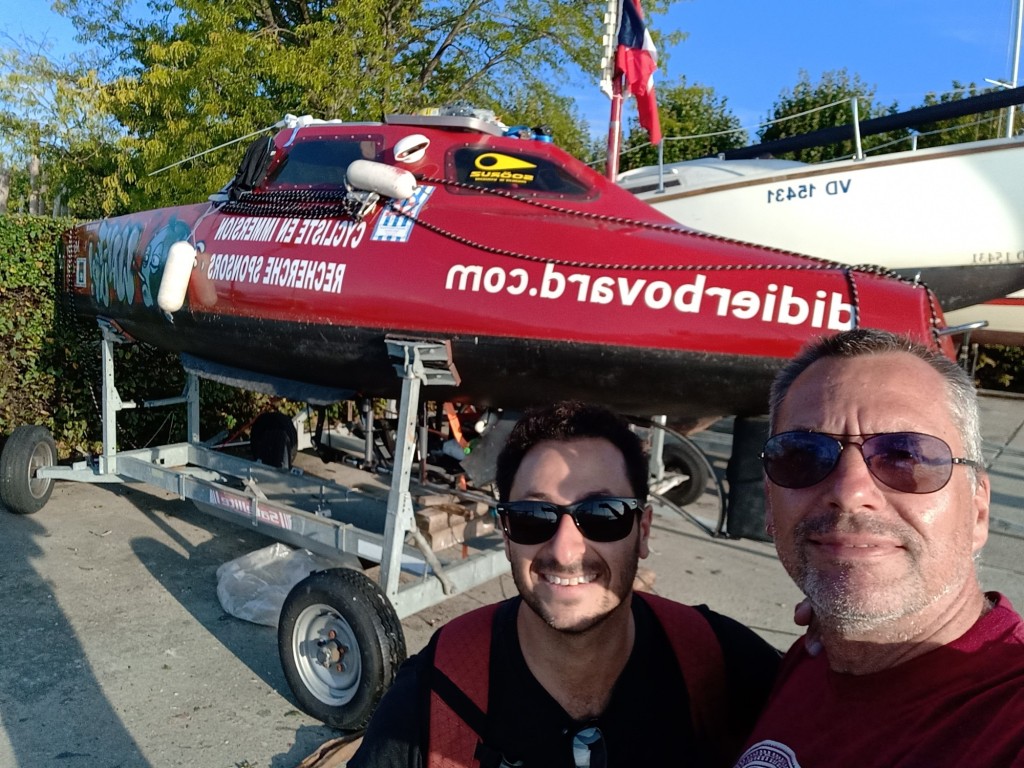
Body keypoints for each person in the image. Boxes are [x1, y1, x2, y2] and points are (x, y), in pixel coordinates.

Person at [350, 400, 781, 768]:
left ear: (643, 531)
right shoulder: (435, 692)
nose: (564, 550)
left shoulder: (719, 662)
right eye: (532, 518)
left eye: (603, 514)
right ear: (505, 535)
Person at [735, 328, 1024, 768]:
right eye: (803, 454)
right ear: (770, 505)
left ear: (977, 511)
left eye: (906, 454)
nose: (850, 491)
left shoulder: (1006, 719)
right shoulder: (812, 661)